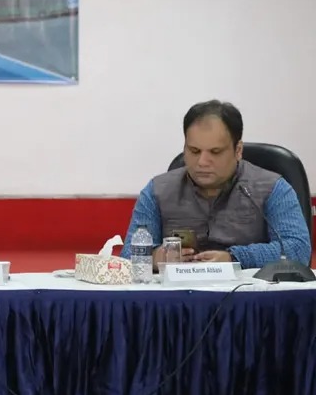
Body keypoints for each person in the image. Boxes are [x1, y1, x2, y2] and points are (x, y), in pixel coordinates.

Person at [121, 100, 311, 269]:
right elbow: (128, 256)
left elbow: (298, 250)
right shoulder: (157, 191)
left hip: (247, 294)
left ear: (238, 150)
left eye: (215, 152)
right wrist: (156, 258)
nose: (202, 162)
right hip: (179, 295)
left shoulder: (273, 189)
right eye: (194, 151)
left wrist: (234, 258)